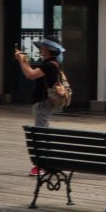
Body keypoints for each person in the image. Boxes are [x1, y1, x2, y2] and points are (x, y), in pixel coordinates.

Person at [14, 36, 65, 175]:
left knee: (40, 133)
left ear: (49, 50)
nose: (40, 50)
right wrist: (24, 60)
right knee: (44, 131)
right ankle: (48, 163)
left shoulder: (49, 65)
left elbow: (30, 75)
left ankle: (42, 165)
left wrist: (21, 60)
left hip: (43, 103)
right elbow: (33, 73)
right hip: (45, 103)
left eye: (42, 47)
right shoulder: (52, 64)